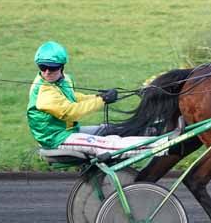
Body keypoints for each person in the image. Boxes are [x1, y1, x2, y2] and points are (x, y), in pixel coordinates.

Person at [27, 41, 167, 159]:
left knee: (109, 129)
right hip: (56, 139)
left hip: (69, 131)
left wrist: (99, 97)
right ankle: (164, 144)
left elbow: (74, 97)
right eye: (42, 67)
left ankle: (153, 131)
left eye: (52, 68)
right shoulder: (44, 92)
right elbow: (70, 111)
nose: (47, 72)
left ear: (62, 66)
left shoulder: (64, 80)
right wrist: (102, 101)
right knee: (110, 144)